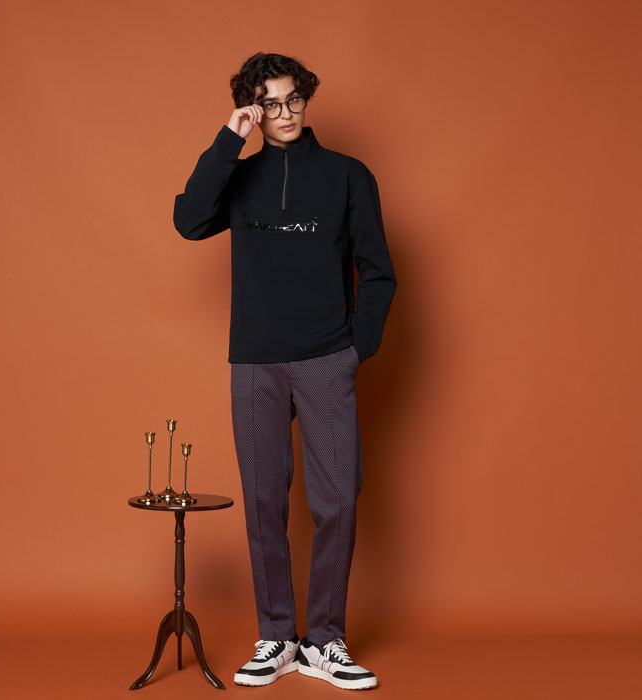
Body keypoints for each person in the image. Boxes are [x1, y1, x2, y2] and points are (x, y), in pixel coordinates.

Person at [173, 52, 396, 691]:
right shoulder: (238, 176)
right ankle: (277, 635)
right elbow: (189, 221)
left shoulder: (349, 176)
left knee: (337, 500)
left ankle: (324, 639)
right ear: (253, 108)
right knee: (264, 503)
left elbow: (379, 272)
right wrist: (229, 138)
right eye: (269, 104)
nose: (285, 113)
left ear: (306, 98)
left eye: (293, 99)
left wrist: (355, 348)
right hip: (256, 363)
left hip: (327, 358)